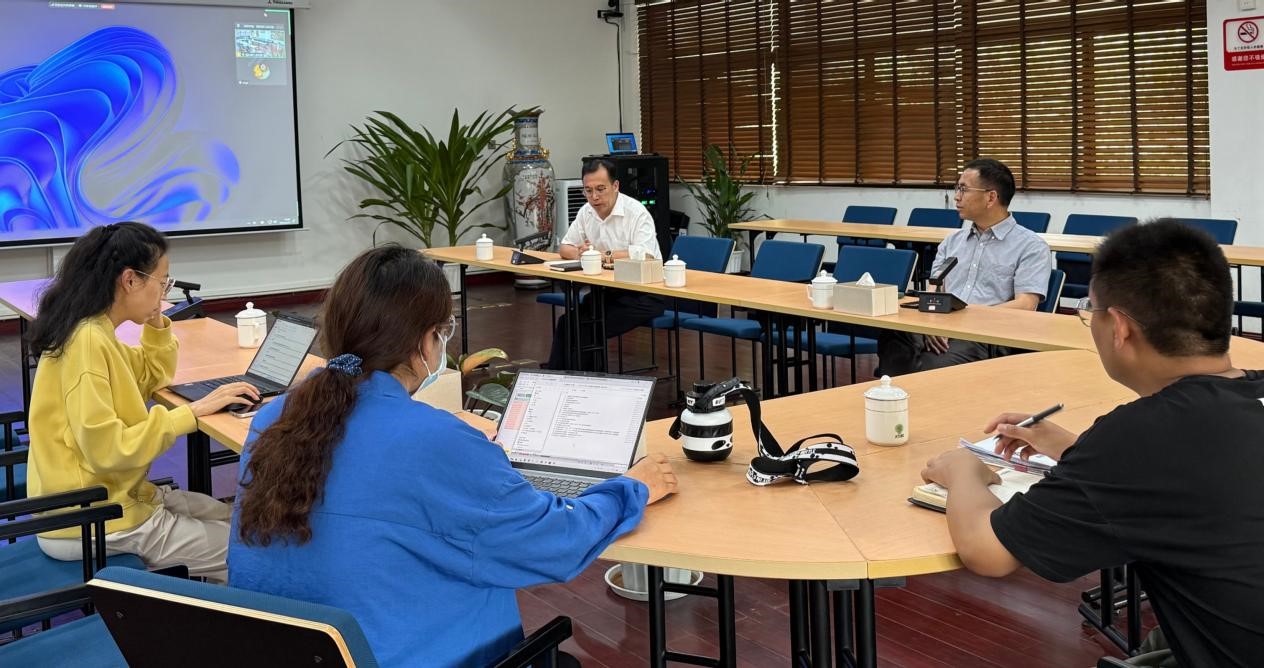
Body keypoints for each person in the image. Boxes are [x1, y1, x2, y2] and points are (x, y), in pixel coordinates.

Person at [228, 245, 677, 667]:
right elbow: (555, 542)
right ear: (428, 340)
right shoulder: (434, 441)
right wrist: (632, 488)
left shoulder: (275, 419)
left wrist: (449, 440)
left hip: (288, 652)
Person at [921, 220, 1264, 667]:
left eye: (1090, 313)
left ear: (1118, 327)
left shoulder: (1142, 436)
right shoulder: (1239, 400)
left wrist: (963, 469)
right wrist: (1076, 449)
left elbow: (988, 552)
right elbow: (1207, 469)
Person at [26, 222, 259, 582]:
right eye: (162, 282)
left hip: (113, 499)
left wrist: (156, 321)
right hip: (92, 518)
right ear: (130, 280)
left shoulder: (94, 330)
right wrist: (191, 413)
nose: (165, 293)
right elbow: (108, 450)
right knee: (250, 550)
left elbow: (151, 375)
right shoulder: (87, 343)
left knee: (238, 519)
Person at [877, 158, 1052, 375]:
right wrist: (931, 323)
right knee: (893, 336)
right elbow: (934, 289)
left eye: (964, 189)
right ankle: (899, 391)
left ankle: (913, 390)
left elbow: (1026, 305)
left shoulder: (1031, 246)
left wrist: (962, 320)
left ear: (991, 197)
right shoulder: (952, 242)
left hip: (984, 335)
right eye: (957, 188)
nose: (957, 196)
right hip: (940, 326)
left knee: (932, 363)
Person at [547, 157, 666, 371]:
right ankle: (555, 378)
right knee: (566, 323)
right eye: (588, 190)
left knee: (588, 328)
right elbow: (564, 247)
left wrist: (602, 255)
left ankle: (585, 382)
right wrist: (581, 252)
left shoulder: (636, 212)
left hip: (644, 294)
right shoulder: (586, 211)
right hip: (608, 292)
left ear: (615, 186)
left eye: (600, 189)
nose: (594, 197)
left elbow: (645, 254)